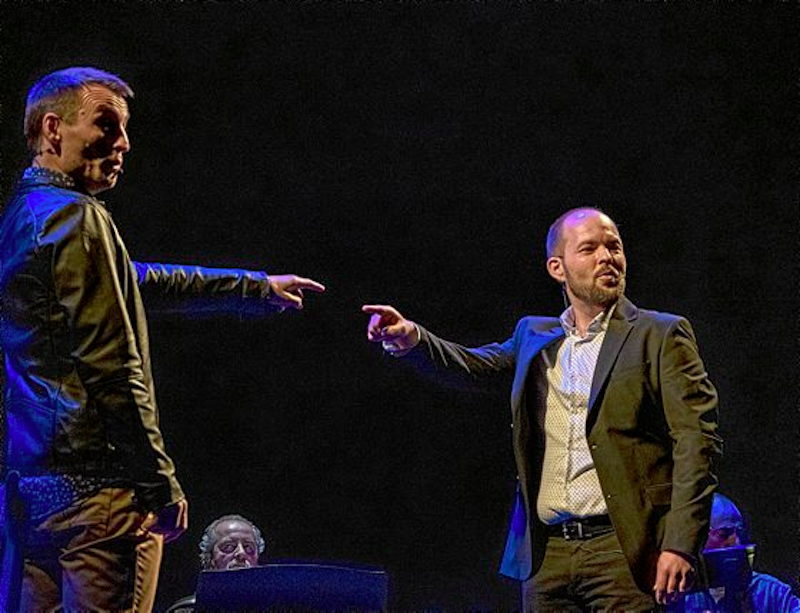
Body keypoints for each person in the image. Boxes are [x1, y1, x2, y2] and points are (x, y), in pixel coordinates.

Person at [0, 66, 324, 613]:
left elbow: (138, 279)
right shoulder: (77, 218)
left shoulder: (24, 215)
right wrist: (157, 478)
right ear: (53, 129)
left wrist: (252, 287)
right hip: (98, 497)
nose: (124, 143)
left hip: (31, 495)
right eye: (107, 125)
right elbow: (112, 363)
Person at [363, 207, 722, 611]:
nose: (607, 257)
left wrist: (680, 544)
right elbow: (474, 366)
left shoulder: (659, 334)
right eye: (589, 248)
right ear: (557, 268)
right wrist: (414, 339)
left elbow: (697, 441)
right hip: (548, 555)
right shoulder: (534, 336)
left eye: (614, 247)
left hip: (624, 550)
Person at [684, 494, 800, 612]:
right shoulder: (680, 594)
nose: (737, 542)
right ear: (698, 537)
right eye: (724, 534)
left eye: (739, 533)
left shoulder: (770, 592)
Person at [166, 514, 266, 613]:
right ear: (209, 558)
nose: (241, 553)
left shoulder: (271, 607)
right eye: (229, 546)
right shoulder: (187, 610)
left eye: (248, 547)